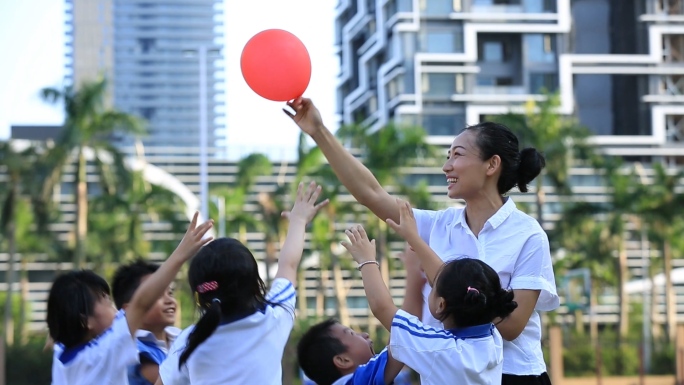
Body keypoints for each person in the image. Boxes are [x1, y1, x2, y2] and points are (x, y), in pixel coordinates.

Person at [285, 98, 559, 384]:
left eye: (457, 155)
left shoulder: (528, 234)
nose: (446, 166)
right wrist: (318, 131)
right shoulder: (436, 225)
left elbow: (513, 326)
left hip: (515, 376)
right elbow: (370, 193)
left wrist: (429, 262)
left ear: (492, 164)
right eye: (448, 156)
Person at [157, 182, 328, 385]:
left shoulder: (188, 341)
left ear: (199, 295)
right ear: (255, 285)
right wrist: (298, 221)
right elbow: (289, 264)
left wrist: (178, 256)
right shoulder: (273, 319)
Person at [47, 213, 213, 385]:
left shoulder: (62, 355)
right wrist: (181, 254)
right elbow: (141, 302)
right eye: (106, 301)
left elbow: (58, 330)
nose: (115, 310)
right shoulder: (102, 353)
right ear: (85, 321)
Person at [340, 224, 517, 384]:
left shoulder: (440, 348)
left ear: (441, 305)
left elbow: (382, 307)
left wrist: (366, 260)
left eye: (432, 286)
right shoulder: (492, 338)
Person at [297, 244, 424, 385]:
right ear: (343, 360)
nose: (364, 334)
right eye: (352, 334)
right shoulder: (358, 381)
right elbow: (403, 334)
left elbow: (399, 339)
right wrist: (413, 272)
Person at [112, 260, 181, 385]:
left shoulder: (181, 337)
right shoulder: (135, 351)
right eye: (157, 295)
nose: (169, 300)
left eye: (170, 293)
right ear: (129, 310)